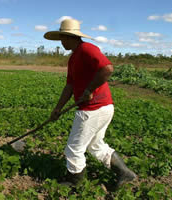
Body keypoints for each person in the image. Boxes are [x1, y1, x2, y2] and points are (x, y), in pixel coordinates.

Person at [44, 19, 136, 187]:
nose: (61, 42)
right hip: (100, 108)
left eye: (63, 38)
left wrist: (89, 90)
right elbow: (69, 86)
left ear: (71, 37)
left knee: (74, 148)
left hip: (93, 108)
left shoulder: (87, 49)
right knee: (95, 146)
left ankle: (75, 183)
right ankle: (125, 173)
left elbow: (107, 69)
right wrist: (57, 109)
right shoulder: (73, 58)